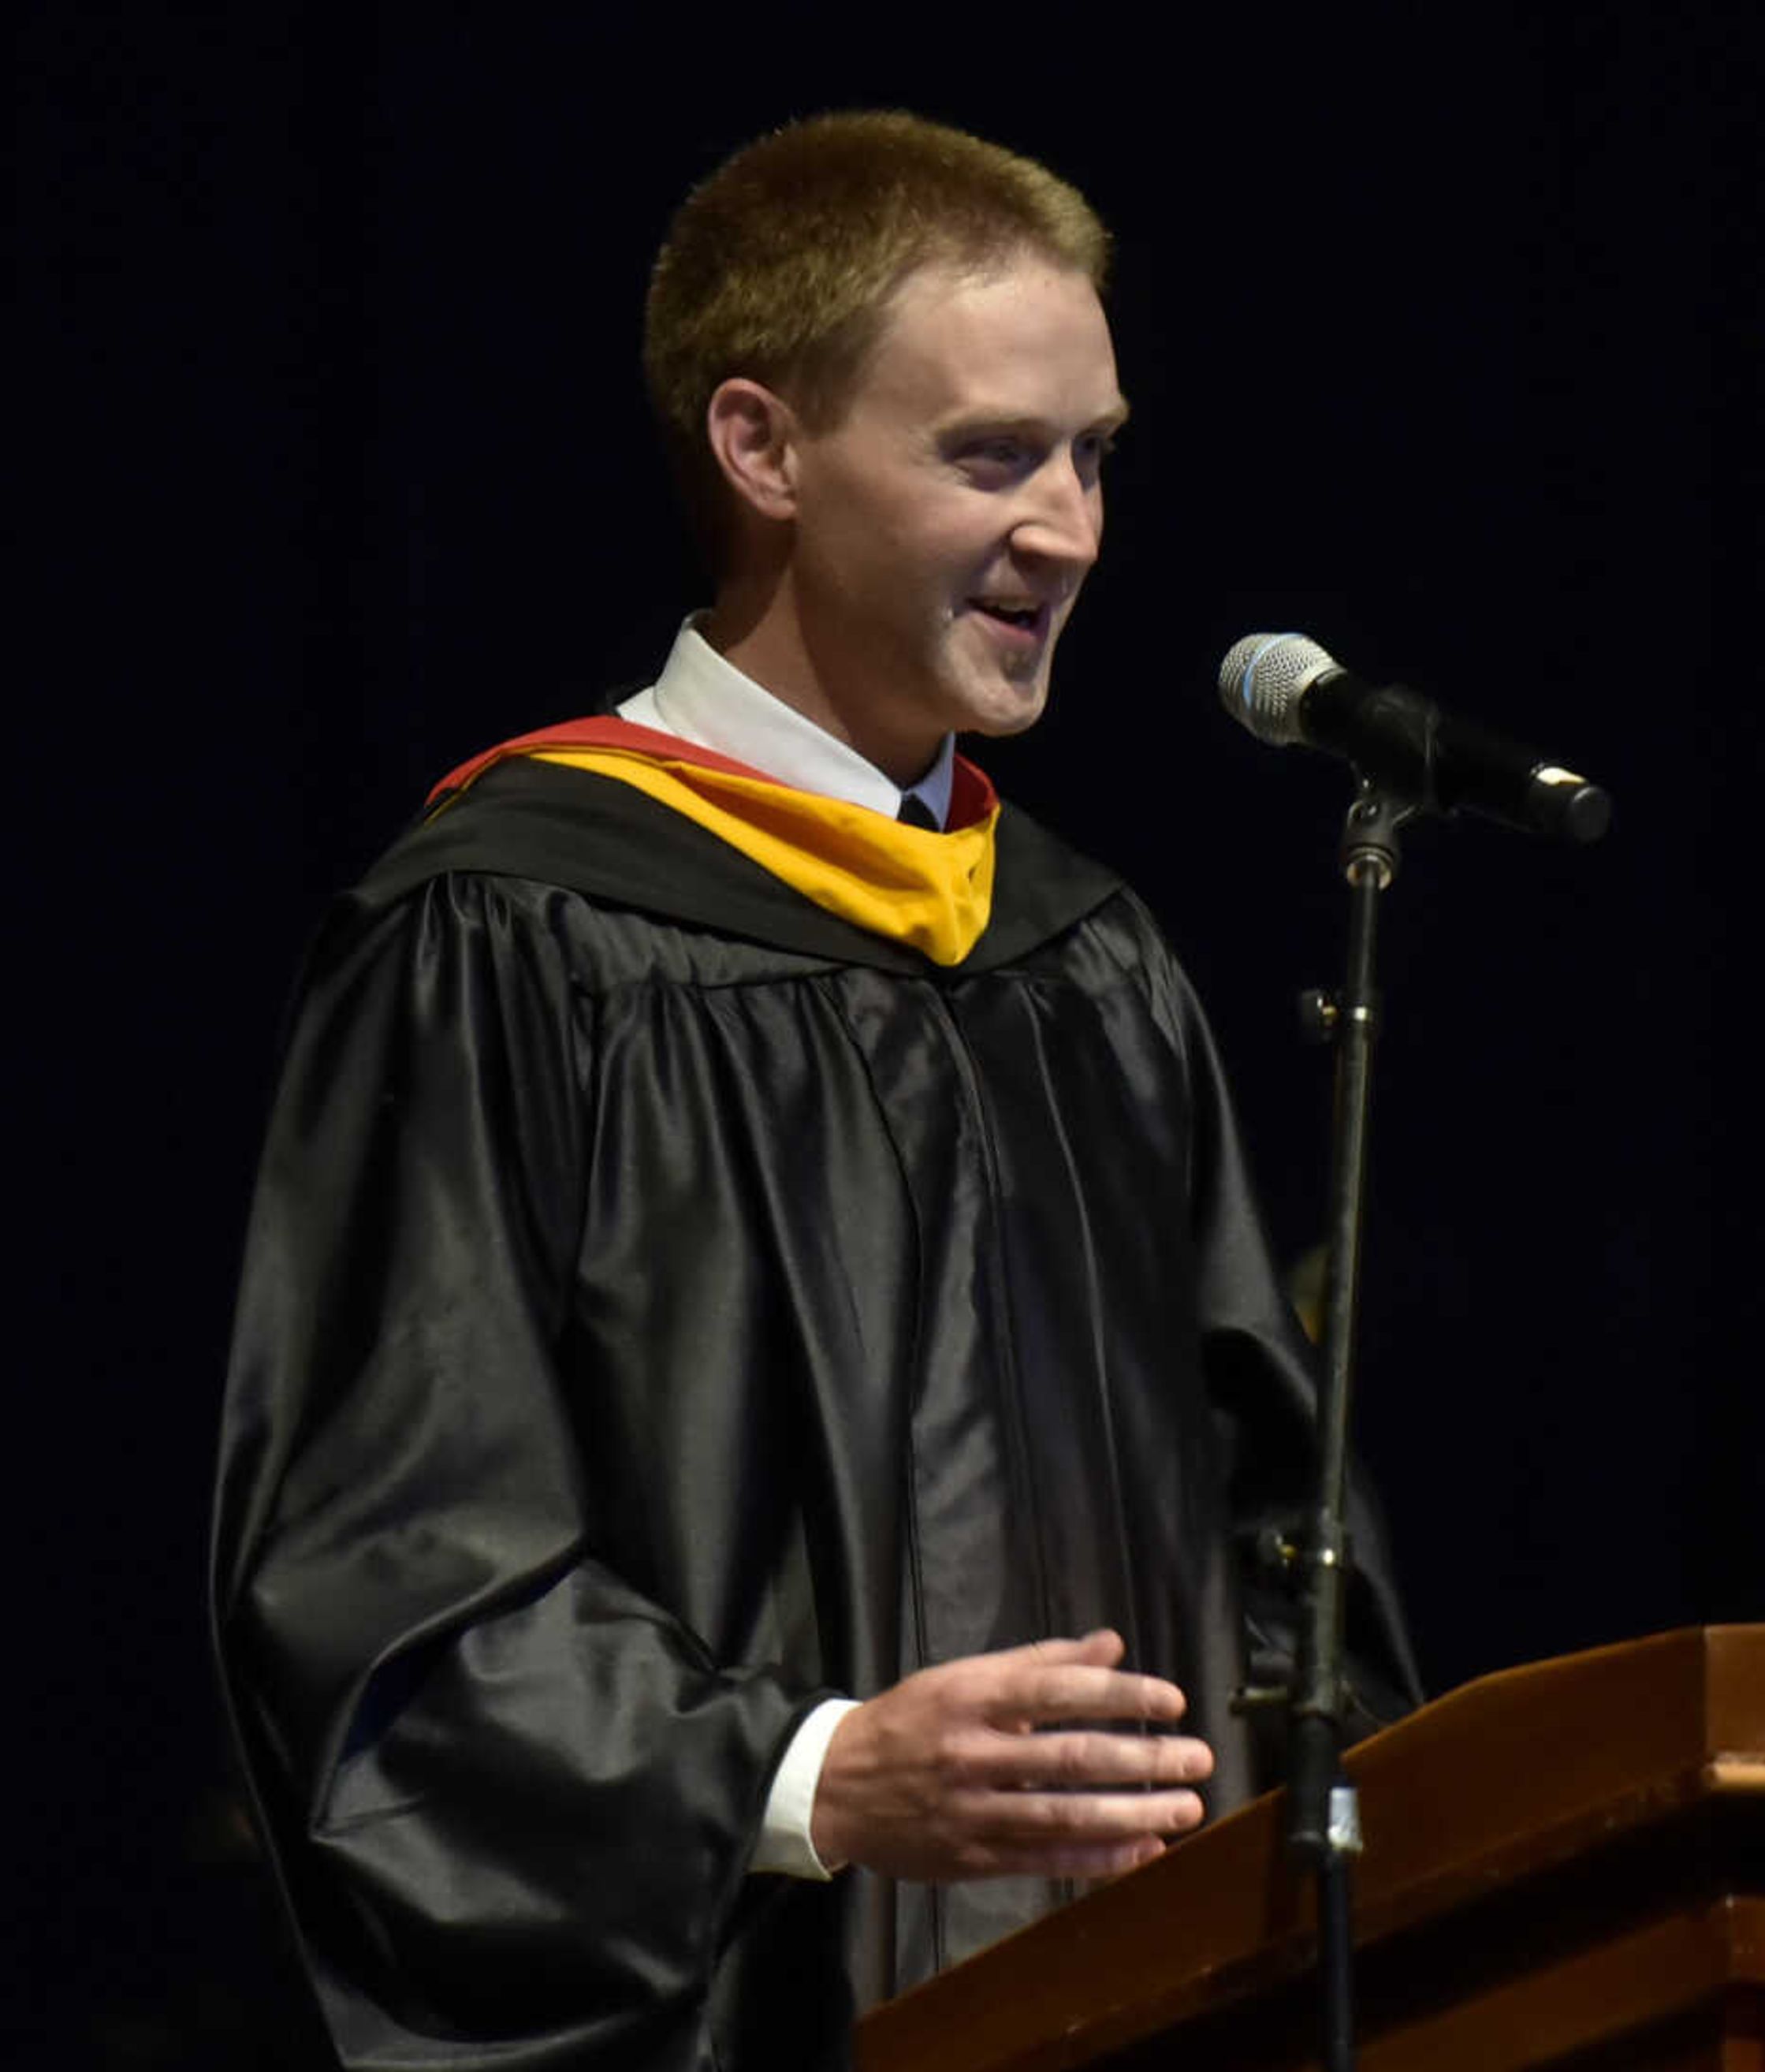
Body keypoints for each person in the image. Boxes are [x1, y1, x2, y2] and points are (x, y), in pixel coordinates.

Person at [210, 110, 1414, 2070]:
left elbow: (1279, 1538)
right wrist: (812, 1776)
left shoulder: (1083, 961)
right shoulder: (515, 936)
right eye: (991, 455)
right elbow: (389, 1575)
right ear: (762, 449)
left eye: (1094, 453)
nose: (1074, 528)